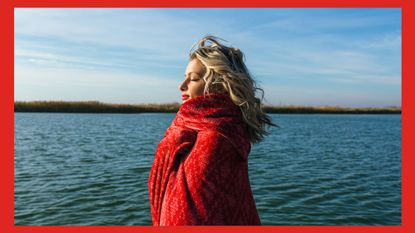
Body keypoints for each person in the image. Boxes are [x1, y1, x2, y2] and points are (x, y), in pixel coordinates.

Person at [148, 35, 275, 226]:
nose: (182, 86)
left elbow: (198, 211)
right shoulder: (196, 126)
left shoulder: (217, 138)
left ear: (219, 84)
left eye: (194, 79)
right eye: (185, 78)